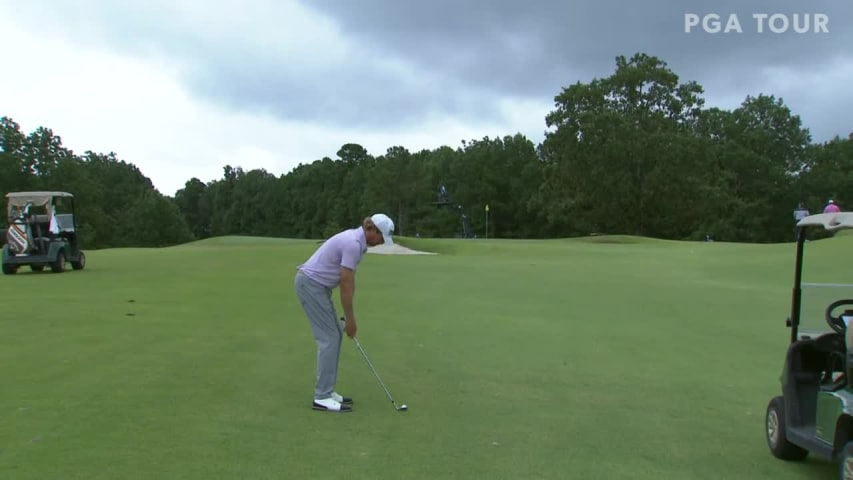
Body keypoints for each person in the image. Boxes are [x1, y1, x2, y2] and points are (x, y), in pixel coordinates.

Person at [294, 213, 395, 413]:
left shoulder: (357, 241)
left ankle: (327, 391)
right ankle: (322, 396)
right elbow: (346, 284)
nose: (381, 242)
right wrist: (350, 319)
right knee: (329, 338)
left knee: (333, 335)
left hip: (317, 287)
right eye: (381, 237)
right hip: (310, 285)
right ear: (371, 229)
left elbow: (349, 281)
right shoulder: (353, 244)